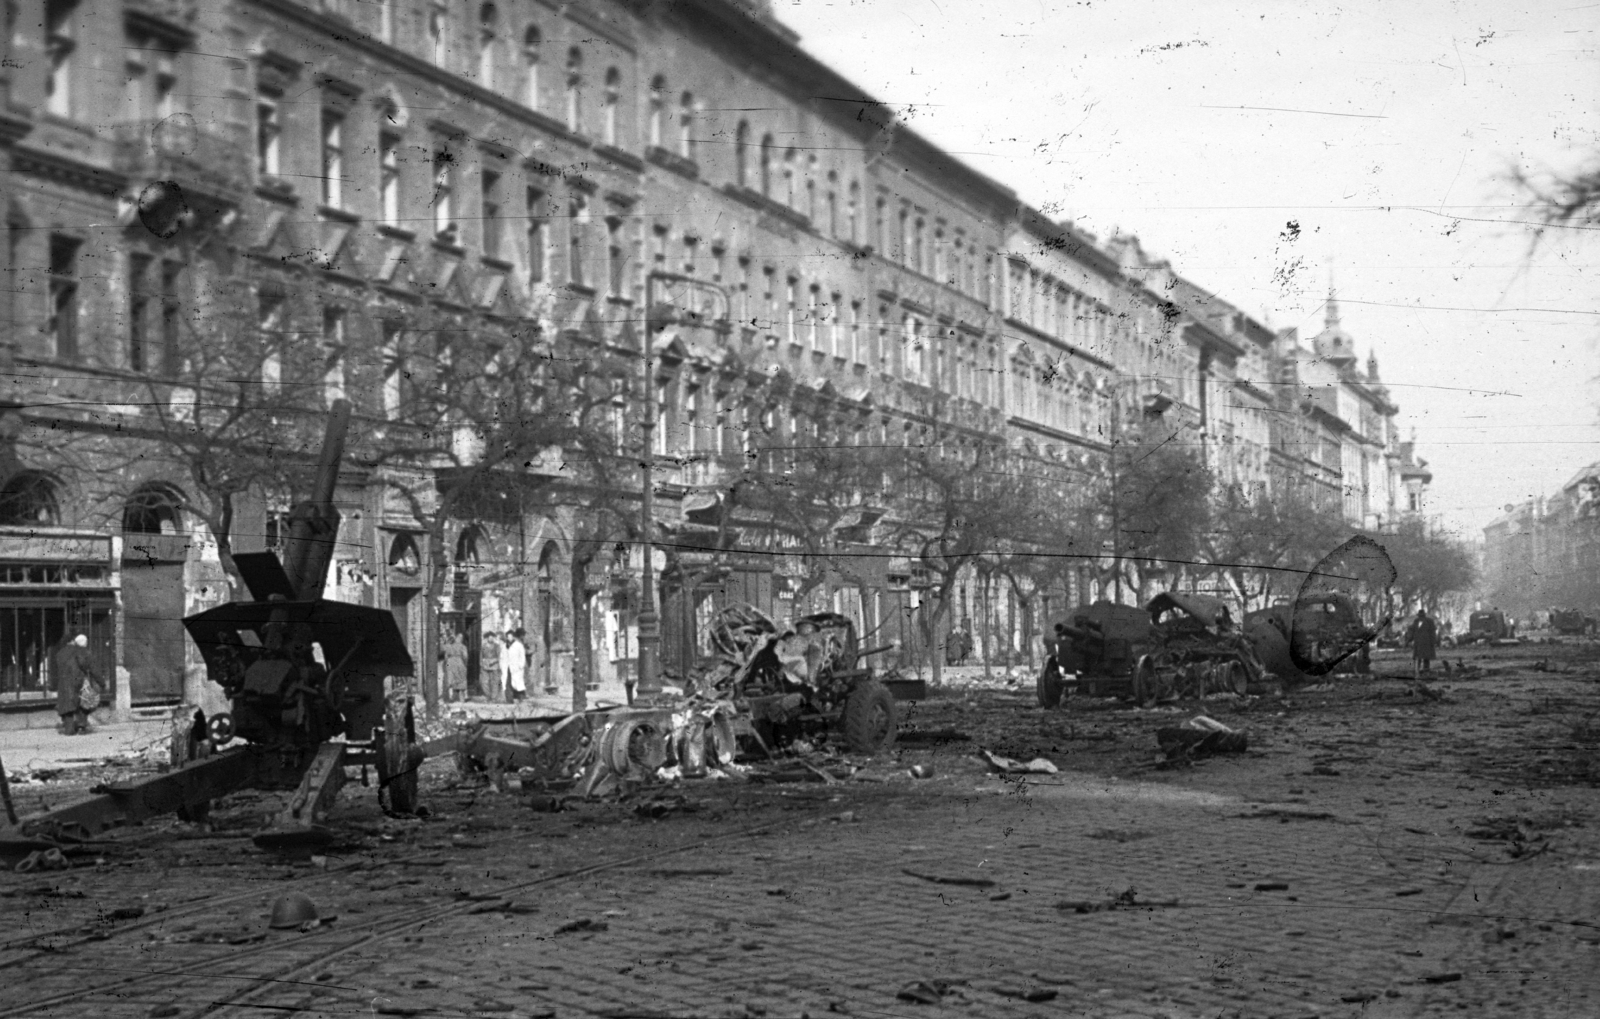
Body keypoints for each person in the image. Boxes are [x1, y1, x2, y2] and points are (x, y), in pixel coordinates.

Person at [53, 634, 103, 736]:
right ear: (72, 641)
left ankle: (69, 729)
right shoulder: (79, 651)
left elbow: (55, 670)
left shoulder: (59, 653)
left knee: (67, 705)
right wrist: (101, 682)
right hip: (78, 680)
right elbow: (89, 666)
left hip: (64, 683)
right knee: (85, 701)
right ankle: (81, 726)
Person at [1405, 609, 1438, 676]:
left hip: (1426, 643)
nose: (1420, 617)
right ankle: (1418, 671)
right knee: (1418, 658)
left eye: (1421, 616)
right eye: (1420, 616)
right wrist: (1408, 641)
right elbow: (1412, 632)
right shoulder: (1416, 621)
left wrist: (1434, 642)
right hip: (1418, 643)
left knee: (1425, 658)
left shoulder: (1429, 621)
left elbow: (1433, 633)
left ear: (1424, 615)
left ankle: (1425, 671)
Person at [442, 631, 469, 703]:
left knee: (451, 679)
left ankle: (451, 697)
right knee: (461, 678)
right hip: (459, 661)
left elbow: (446, 656)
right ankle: (463, 697)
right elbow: (465, 656)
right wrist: (465, 664)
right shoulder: (463, 647)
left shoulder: (450, 646)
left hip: (450, 662)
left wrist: (446, 664)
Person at [503, 630, 528, 702]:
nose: (509, 638)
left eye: (511, 636)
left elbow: (522, 656)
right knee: (508, 683)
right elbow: (502, 656)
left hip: (516, 667)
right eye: (508, 636)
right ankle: (509, 699)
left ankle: (520, 697)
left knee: (518, 683)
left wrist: (521, 665)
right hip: (507, 667)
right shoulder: (505, 645)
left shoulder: (518, 645)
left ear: (513, 637)